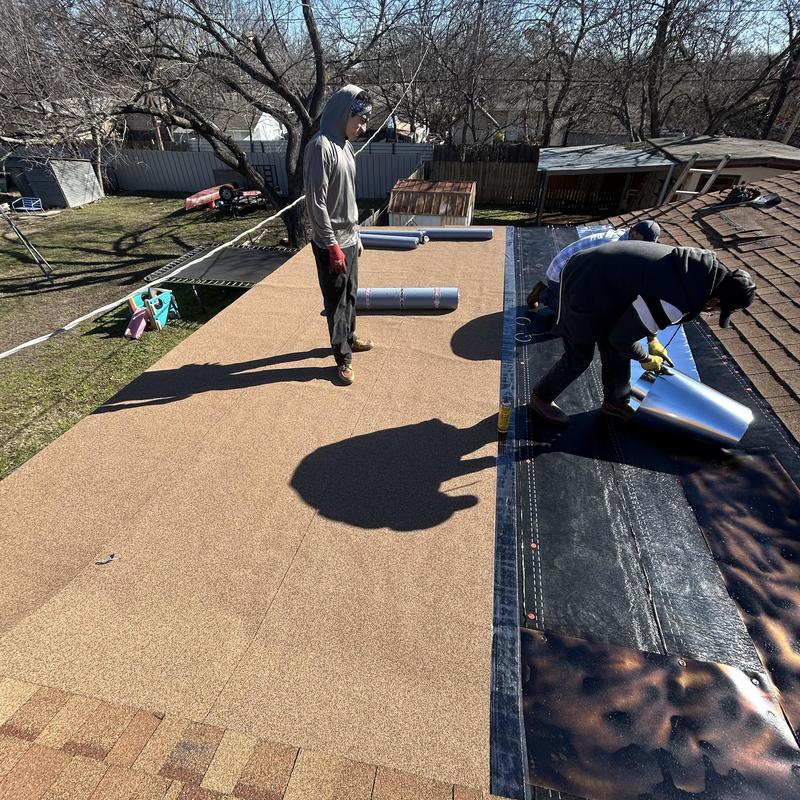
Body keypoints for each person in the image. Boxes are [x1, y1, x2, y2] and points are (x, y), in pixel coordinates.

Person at [528, 241, 757, 425]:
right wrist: (646, 359)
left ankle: (615, 402)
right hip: (585, 281)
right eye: (716, 309)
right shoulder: (678, 296)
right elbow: (623, 337)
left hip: (606, 281)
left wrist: (652, 340)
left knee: (617, 346)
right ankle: (541, 397)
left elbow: (643, 300)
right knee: (580, 355)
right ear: (715, 300)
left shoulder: (697, 272)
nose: (710, 310)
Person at [304, 84, 374, 385]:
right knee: (336, 304)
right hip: (330, 243)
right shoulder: (321, 147)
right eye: (360, 119)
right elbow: (316, 202)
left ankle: (351, 336)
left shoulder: (346, 147)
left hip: (349, 238)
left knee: (351, 296)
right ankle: (342, 358)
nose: (364, 126)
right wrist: (332, 245)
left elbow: (349, 197)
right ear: (345, 115)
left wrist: (355, 234)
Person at [527, 220, 661, 314]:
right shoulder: (614, 247)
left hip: (575, 271)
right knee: (575, 316)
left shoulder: (628, 239)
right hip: (559, 274)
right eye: (642, 245)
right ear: (633, 234)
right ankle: (542, 293)